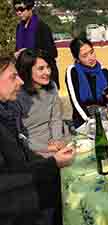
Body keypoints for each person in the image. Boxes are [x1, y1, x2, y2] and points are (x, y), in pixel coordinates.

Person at [0, 55, 75, 225]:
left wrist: (55, 150)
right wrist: (51, 161)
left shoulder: (5, 112)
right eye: (13, 77)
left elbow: (56, 119)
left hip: (33, 176)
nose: (18, 82)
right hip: (17, 206)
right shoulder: (13, 104)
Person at [15, 49, 65, 156]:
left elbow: (56, 119)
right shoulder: (16, 95)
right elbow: (19, 135)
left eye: (48, 67)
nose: (47, 72)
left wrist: (57, 140)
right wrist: (46, 148)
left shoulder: (52, 87)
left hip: (55, 141)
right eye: (41, 68)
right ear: (27, 70)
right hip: (32, 148)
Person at [66, 37, 108, 128]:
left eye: (92, 52)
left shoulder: (103, 71)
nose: (91, 58)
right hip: (83, 119)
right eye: (85, 56)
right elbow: (76, 102)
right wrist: (89, 121)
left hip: (104, 116)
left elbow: (107, 101)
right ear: (76, 58)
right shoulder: (72, 71)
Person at [13, 0, 60, 89]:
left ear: (30, 8)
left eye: (21, 9)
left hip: (44, 79)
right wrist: (17, 54)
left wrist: (28, 53)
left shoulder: (42, 27)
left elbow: (53, 52)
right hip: (27, 79)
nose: (18, 12)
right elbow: (18, 49)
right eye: (16, 10)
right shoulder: (19, 28)